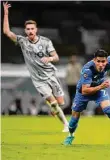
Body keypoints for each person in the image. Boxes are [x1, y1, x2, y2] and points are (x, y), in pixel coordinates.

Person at [3, 2, 69, 132]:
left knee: (61, 103)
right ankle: (66, 125)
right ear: (25, 31)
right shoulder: (22, 41)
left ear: (36, 29)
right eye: (27, 29)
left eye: (32, 29)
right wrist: (6, 13)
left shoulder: (45, 42)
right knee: (54, 103)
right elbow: (6, 32)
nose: (30, 31)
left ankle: (54, 110)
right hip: (38, 80)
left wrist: (49, 58)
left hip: (51, 75)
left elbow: (56, 57)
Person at [63, 49, 110, 145]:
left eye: (103, 61)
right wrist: (101, 86)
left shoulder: (108, 63)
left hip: (98, 90)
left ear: (106, 61)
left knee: (107, 109)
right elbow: (85, 90)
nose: (101, 64)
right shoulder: (87, 70)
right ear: (94, 60)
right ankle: (70, 135)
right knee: (74, 118)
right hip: (83, 92)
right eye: (98, 61)